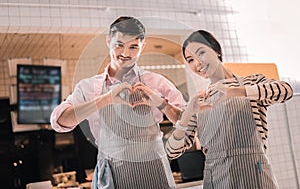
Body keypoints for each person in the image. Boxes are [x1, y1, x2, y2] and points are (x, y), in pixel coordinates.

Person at [50, 16, 184, 189]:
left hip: (154, 170)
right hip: (114, 174)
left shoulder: (157, 82)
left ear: (143, 46)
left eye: (133, 47)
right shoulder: (88, 87)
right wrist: (105, 99)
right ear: (108, 41)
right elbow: (59, 121)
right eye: (119, 45)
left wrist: (160, 103)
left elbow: (187, 123)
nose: (125, 53)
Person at [165, 30, 293, 189]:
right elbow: (171, 151)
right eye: (190, 60)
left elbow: (285, 90)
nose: (197, 63)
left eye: (201, 53)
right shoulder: (200, 101)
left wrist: (236, 91)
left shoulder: (251, 82)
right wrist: (187, 115)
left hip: (254, 171)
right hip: (216, 177)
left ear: (216, 51)